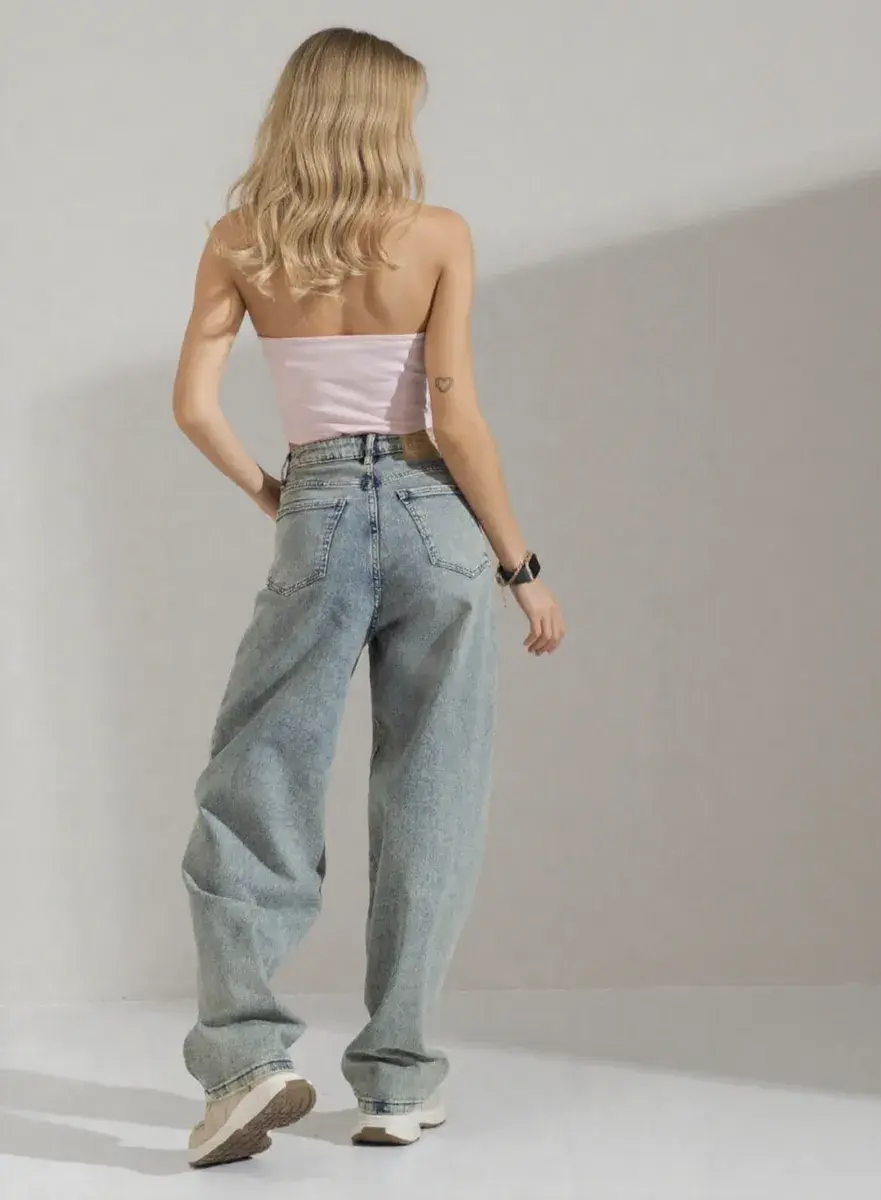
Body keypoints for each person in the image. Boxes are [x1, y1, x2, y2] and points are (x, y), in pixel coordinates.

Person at [172, 25, 566, 1168]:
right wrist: (521, 566)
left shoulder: (242, 240)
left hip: (320, 506)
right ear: (383, 118)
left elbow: (194, 407)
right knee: (431, 792)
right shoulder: (437, 235)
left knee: (257, 778)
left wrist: (280, 496)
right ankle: (395, 1081)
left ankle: (246, 1061)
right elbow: (455, 416)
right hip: (441, 521)